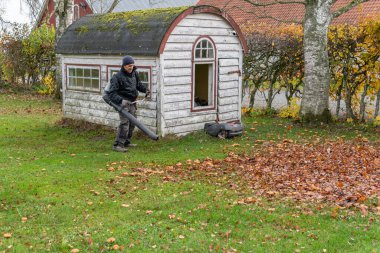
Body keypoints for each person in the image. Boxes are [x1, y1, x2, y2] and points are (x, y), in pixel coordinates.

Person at [106, 55, 150, 152]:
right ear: (124, 66)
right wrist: (121, 100)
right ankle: (118, 145)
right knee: (124, 123)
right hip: (122, 104)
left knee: (132, 123)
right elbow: (111, 93)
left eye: (132, 65)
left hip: (132, 102)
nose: (131, 67)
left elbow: (138, 85)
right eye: (129, 65)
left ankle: (126, 142)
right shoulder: (117, 77)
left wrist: (145, 90)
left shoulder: (135, 74)